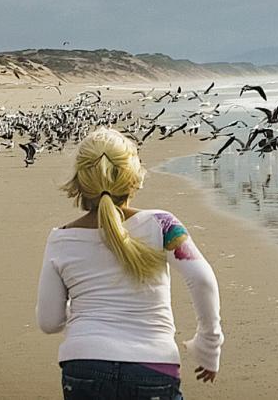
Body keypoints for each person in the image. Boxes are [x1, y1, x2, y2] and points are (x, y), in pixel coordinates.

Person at [37, 128, 223, 400]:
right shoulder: (162, 224)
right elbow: (202, 280)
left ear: (79, 183)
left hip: (84, 364)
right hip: (153, 365)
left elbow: (49, 322)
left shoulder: (60, 239)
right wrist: (208, 347)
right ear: (133, 179)